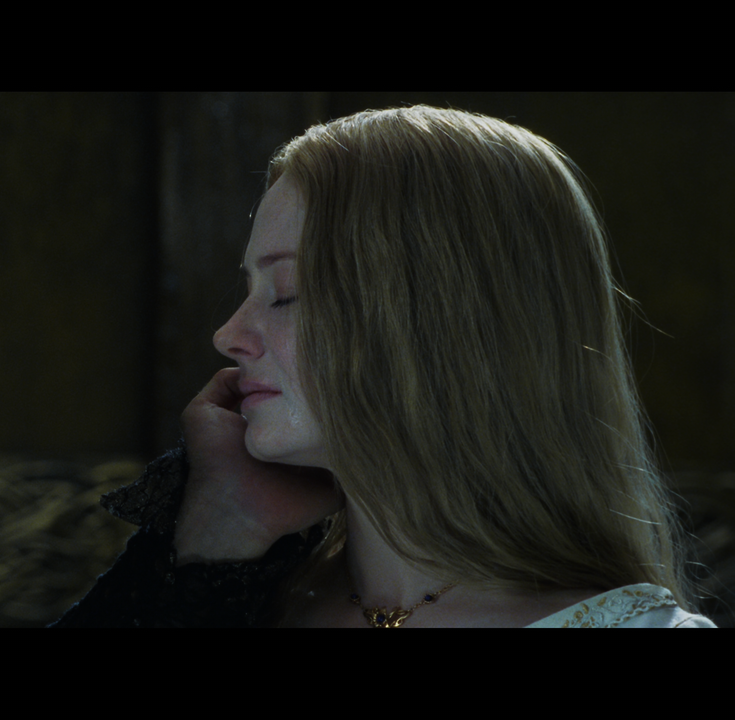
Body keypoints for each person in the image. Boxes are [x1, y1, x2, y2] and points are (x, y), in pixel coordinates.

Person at [58, 105, 715, 627]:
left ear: (442, 319)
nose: (228, 335)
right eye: (249, 289)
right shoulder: (220, 603)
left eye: (286, 292)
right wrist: (221, 531)